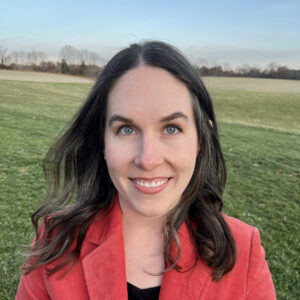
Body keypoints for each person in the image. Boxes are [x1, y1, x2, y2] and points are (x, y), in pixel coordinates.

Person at [16, 41, 276, 300]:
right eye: (126, 130)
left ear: (202, 138)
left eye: (171, 128)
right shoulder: (56, 240)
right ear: (103, 141)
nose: (148, 159)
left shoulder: (244, 250)